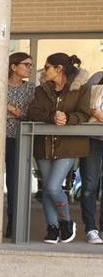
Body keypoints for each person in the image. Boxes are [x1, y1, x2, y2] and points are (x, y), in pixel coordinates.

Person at [26, 53, 90, 244]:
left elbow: (84, 114)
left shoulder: (80, 89)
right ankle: (52, 227)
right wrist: (53, 116)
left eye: (47, 67)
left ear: (59, 69)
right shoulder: (41, 90)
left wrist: (68, 118)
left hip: (68, 145)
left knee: (54, 186)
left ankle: (66, 221)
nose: (43, 71)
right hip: (44, 144)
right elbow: (33, 112)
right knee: (47, 188)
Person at [5, 52, 35, 239]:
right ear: (13, 67)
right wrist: (14, 111)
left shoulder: (31, 89)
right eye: (26, 64)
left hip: (19, 138)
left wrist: (9, 108)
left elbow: (30, 113)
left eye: (30, 65)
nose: (29, 68)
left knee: (15, 182)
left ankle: (13, 223)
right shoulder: (0, 85)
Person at [83, 69, 103, 244]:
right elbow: (84, 104)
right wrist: (96, 113)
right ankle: (90, 228)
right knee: (90, 184)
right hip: (93, 139)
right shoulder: (98, 77)